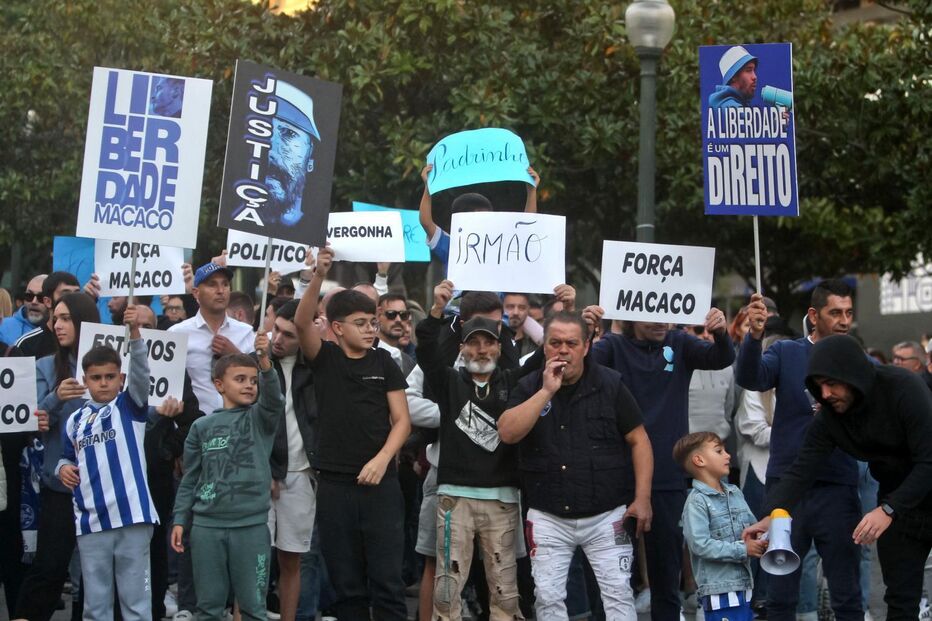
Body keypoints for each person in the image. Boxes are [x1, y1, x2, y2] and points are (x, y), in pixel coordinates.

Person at [743, 334, 932, 620]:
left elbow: (929, 461)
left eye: (832, 383)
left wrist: (888, 510)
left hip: (913, 489)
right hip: (898, 503)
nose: (825, 394)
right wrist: (773, 512)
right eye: (819, 387)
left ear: (852, 375)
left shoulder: (904, 387)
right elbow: (802, 469)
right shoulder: (830, 417)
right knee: (901, 599)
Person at [499, 311, 654, 620]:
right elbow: (507, 432)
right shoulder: (530, 386)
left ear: (586, 345)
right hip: (548, 515)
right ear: (545, 347)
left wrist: (643, 498)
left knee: (618, 596)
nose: (563, 350)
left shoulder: (611, 385)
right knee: (547, 598)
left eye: (571, 343)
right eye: (555, 342)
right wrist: (546, 392)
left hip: (607, 515)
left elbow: (640, 441)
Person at [584, 304, 734, 619]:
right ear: (628, 315)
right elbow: (581, 368)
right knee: (611, 579)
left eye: (666, 312)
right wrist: (586, 331)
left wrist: (721, 333)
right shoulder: (613, 347)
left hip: (667, 480)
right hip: (618, 479)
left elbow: (722, 358)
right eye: (651, 313)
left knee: (667, 579)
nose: (660, 320)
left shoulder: (679, 343)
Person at [294, 246, 412, 620]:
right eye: (360, 323)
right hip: (334, 486)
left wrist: (381, 460)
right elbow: (300, 324)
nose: (370, 329)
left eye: (372, 322)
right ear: (336, 328)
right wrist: (317, 275)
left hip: (381, 487)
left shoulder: (385, 362)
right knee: (347, 587)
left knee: (388, 583)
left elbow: (403, 421)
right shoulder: (325, 358)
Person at [735, 281, 863, 621]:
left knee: (847, 594)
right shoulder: (787, 352)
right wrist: (754, 336)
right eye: (835, 312)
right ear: (813, 315)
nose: (843, 320)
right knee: (780, 595)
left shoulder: (855, 357)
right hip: (786, 490)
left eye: (848, 313)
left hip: (837, 487)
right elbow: (750, 377)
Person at [417, 280, 536, 620]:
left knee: (504, 591)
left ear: (500, 347)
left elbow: (546, 355)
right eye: (474, 343)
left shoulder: (512, 383)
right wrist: (437, 312)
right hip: (455, 500)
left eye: (489, 343)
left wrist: (568, 310)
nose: (481, 350)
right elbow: (426, 351)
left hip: (501, 501)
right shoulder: (449, 383)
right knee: (447, 589)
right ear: (462, 349)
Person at [170, 332, 284, 621]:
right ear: (219, 385)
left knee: (254, 609)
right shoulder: (201, 427)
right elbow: (190, 479)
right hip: (207, 529)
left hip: (252, 528)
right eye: (240, 379)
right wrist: (181, 519)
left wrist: (265, 364)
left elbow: (273, 400)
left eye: (252, 380)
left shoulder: (261, 419)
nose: (249, 385)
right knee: (207, 609)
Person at [55, 305, 158, 621]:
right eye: (96, 377)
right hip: (92, 522)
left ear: (120, 378)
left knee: (136, 605)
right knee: (95, 607)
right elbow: (64, 458)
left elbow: (141, 374)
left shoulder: (129, 406)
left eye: (110, 377)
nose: (103, 383)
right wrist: (62, 469)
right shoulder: (74, 420)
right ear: (84, 379)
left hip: (132, 518)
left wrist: (136, 336)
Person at [13, 292, 100, 621]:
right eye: (56, 319)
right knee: (49, 569)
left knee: (94, 577)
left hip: (102, 486)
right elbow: (29, 420)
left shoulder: (108, 367)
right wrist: (54, 399)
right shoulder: (45, 366)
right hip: (60, 487)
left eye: (66, 318)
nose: (57, 325)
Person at [676, 432, 765, 621]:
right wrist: (743, 548)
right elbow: (700, 544)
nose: (728, 455)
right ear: (699, 460)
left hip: (744, 586)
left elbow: (752, 527)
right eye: (719, 451)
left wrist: (764, 537)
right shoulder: (696, 502)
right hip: (719, 591)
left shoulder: (735, 493)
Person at [267, 300, 318, 621]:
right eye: (276, 330)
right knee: (252, 560)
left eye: (288, 334)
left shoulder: (317, 368)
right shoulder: (258, 366)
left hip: (300, 475)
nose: (279, 339)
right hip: (261, 476)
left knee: (292, 561)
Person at [168, 262, 255, 416]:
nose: (221, 291)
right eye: (212, 285)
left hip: (239, 425)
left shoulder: (246, 332)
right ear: (196, 293)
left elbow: (259, 381)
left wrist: (235, 355)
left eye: (225, 284)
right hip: (194, 428)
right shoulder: (177, 334)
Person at [418, 162, 540, 267]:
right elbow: (426, 222)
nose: (482, 224)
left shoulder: (502, 246)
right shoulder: (452, 246)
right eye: (476, 220)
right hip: (462, 296)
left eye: (486, 219)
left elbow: (526, 228)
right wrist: (428, 187)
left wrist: (531, 191)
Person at [264, 80, 320, 228]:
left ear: (311, 159)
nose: (271, 148)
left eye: (288, 133)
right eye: (263, 129)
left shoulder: (318, 233)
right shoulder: (237, 233)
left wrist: (317, 252)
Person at [0, 273, 48, 345]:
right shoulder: (2, 326)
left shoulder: (60, 330)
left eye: (41, 298)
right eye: (29, 296)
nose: (34, 302)